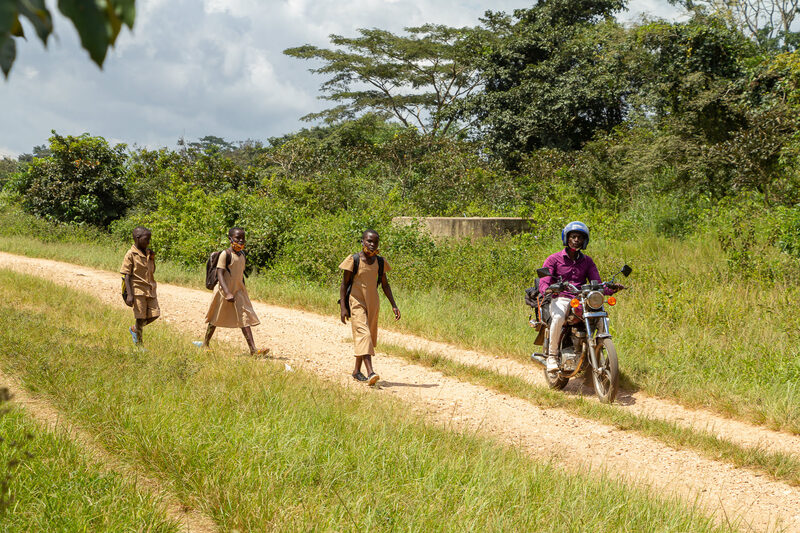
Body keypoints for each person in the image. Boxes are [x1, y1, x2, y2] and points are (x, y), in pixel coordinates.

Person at [538, 221, 622, 372]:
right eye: (573, 236)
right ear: (566, 238)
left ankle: (598, 352)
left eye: (580, 237)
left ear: (585, 241)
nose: (576, 240)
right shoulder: (553, 259)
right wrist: (551, 288)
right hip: (562, 297)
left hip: (582, 299)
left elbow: (597, 283)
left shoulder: (587, 261)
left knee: (602, 317)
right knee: (558, 317)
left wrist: (611, 288)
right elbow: (543, 284)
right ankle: (552, 356)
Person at [339, 229, 400, 386]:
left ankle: (356, 371)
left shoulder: (380, 262)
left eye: (375, 242)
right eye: (369, 241)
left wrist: (394, 305)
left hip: (373, 302)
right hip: (356, 301)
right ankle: (371, 372)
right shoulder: (354, 260)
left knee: (368, 337)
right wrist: (343, 307)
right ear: (362, 241)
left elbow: (385, 285)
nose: (372, 245)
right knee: (364, 335)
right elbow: (344, 283)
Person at [197, 227, 268, 355]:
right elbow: (220, 274)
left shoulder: (242, 255)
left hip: (238, 291)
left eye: (243, 238)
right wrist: (227, 292)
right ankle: (205, 343)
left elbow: (239, 275)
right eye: (237, 238)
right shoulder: (225, 255)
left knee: (244, 318)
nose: (240, 241)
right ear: (230, 239)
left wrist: (242, 289)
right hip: (223, 292)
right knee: (215, 318)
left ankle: (253, 350)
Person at [121, 226, 159, 346]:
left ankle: (134, 329)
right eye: (146, 239)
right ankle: (139, 344)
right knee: (140, 317)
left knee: (155, 314)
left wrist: (152, 258)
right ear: (137, 238)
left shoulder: (148, 253)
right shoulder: (130, 254)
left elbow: (152, 270)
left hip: (150, 289)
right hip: (137, 290)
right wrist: (130, 295)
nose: (148, 242)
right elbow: (126, 275)